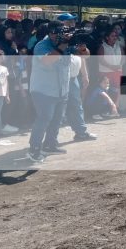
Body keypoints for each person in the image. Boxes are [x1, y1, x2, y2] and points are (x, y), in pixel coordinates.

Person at [27, 21, 72, 163]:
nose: (54, 35)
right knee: (44, 118)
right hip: (43, 90)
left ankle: (50, 144)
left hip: (61, 89)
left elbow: (86, 55)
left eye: (57, 32)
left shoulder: (66, 43)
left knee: (57, 119)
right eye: (52, 32)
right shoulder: (41, 45)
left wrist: (82, 47)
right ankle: (34, 149)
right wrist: (63, 45)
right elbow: (47, 61)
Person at [66, 35, 98, 141]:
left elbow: (85, 56)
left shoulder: (75, 42)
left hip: (73, 78)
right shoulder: (56, 43)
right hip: (59, 79)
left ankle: (81, 133)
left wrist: (85, 75)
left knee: (77, 105)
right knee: (58, 108)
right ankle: (50, 140)